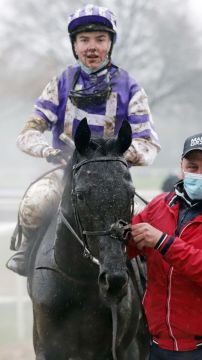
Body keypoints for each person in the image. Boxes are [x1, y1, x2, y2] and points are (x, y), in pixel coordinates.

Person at [7, 4, 160, 276]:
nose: (92, 47)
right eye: (84, 40)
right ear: (74, 46)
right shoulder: (59, 84)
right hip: (65, 174)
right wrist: (49, 151)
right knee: (35, 201)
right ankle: (28, 252)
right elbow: (27, 134)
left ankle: (146, 273)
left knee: (144, 220)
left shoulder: (131, 87)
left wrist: (114, 159)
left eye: (100, 39)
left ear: (110, 44)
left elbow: (148, 143)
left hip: (112, 181)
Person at [129, 132, 202, 359]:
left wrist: (163, 242)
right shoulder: (159, 206)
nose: (200, 173)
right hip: (160, 346)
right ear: (181, 166)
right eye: (192, 166)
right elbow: (123, 247)